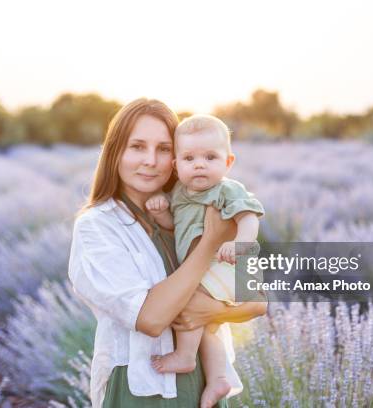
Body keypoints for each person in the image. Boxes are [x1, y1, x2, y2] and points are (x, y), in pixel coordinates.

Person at [68, 98, 268, 408]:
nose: (151, 160)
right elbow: (150, 318)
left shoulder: (200, 208)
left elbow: (256, 303)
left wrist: (214, 312)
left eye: (163, 149)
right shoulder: (98, 226)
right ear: (115, 152)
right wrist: (211, 242)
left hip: (205, 386)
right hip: (143, 392)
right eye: (137, 147)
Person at [146, 114, 264, 407]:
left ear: (228, 162)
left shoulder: (227, 189)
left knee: (185, 301)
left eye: (210, 157)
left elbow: (248, 217)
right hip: (205, 268)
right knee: (208, 325)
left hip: (226, 266)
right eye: (189, 158)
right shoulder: (179, 193)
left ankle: (185, 356)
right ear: (176, 165)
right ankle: (218, 379)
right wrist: (162, 213)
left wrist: (240, 243)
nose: (199, 164)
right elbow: (178, 229)